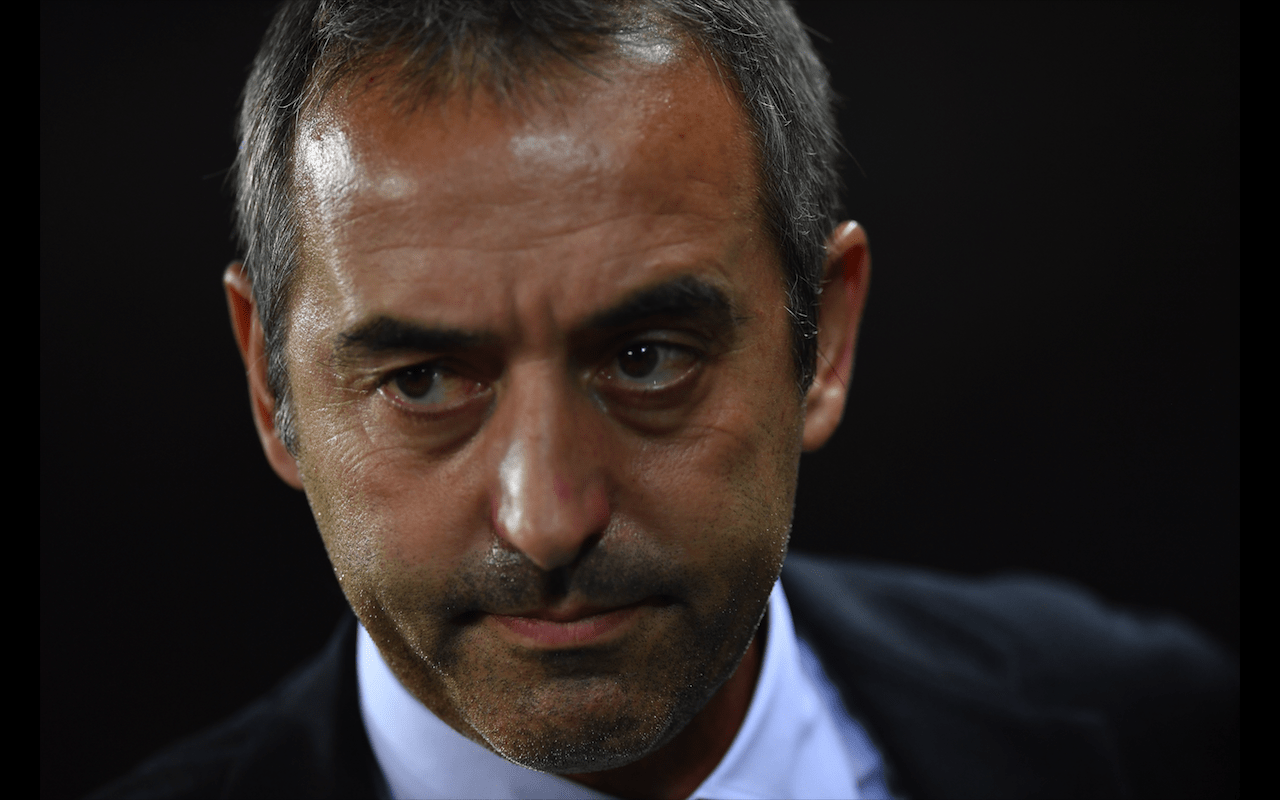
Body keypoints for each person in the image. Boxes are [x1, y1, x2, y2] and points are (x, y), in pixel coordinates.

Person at [93, 1, 1238, 798]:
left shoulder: (1158, 731)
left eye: (644, 358)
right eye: (423, 381)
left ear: (823, 337)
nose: (546, 519)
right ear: (271, 384)